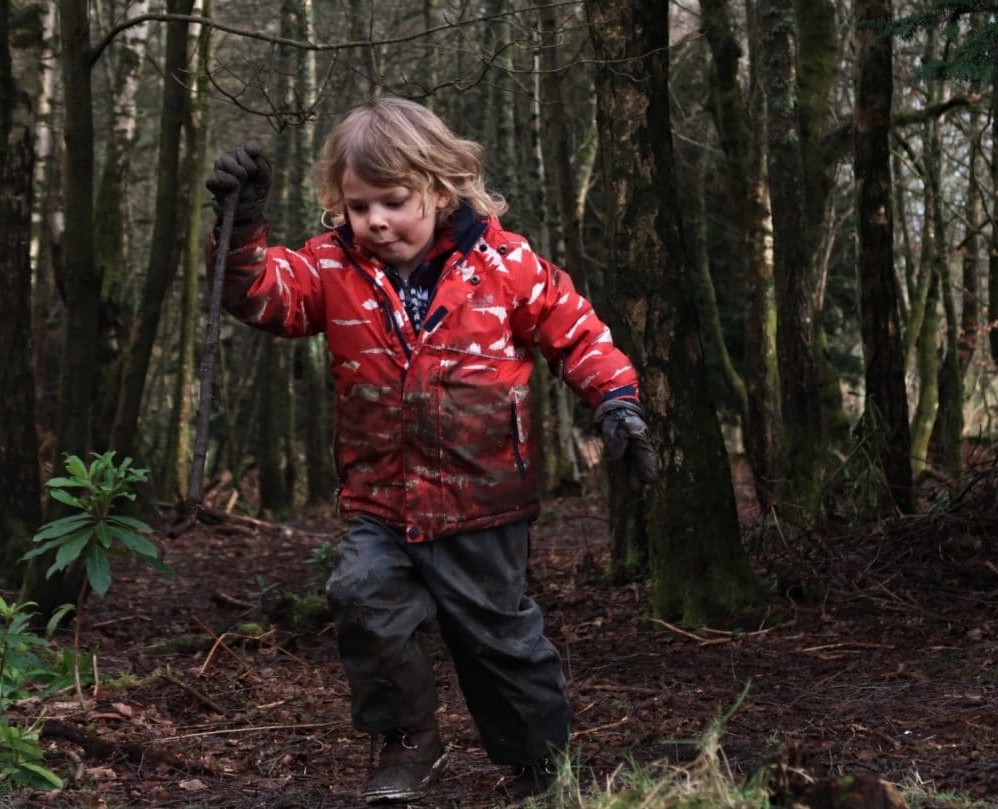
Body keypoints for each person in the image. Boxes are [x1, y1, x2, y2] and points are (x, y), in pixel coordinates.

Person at [205, 97, 658, 805]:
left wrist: (618, 404)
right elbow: (263, 295)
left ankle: (543, 768)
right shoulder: (331, 267)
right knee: (363, 599)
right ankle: (408, 736)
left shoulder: (506, 264)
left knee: (499, 641)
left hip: (486, 499)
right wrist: (241, 226)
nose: (375, 220)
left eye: (393, 201)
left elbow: (577, 331)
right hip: (380, 500)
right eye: (358, 206)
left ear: (441, 188)